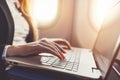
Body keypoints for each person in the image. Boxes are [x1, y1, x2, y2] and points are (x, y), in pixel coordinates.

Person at [0, 0, 72, 79]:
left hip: (22, 62)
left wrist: (39, 44)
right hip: (6, 67)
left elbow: (21, 39)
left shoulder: (19, 4)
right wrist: (14, 50)